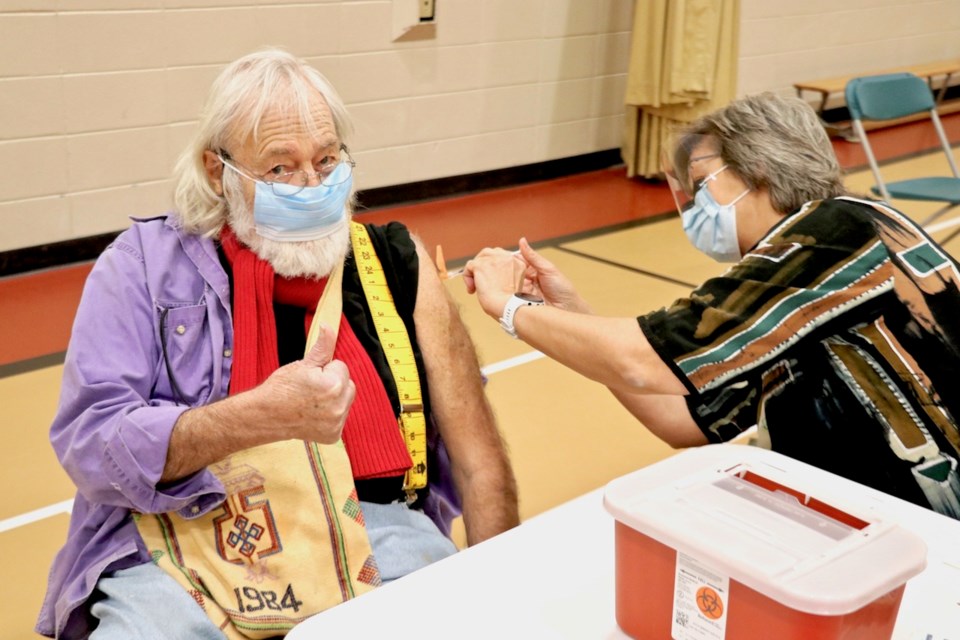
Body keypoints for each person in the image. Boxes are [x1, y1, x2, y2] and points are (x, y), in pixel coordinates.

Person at [37, 48, 519, 640]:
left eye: (326, 159)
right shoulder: (139, 268)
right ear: (218, 171)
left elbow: (479, 460)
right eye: (279, 169)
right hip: (185, 535)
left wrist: (499, 597)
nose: (312, 185)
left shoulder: (395, 263)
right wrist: (252, 419)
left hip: (373, 529)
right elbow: (92, 444)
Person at [464, 92, 960, 521]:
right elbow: (682, 420)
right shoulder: (820, 249)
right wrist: (564, 309)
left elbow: (638, 361)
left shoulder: (831, 234)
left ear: (757, 167)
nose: (695, 204)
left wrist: (507, 307)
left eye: (701, 184)